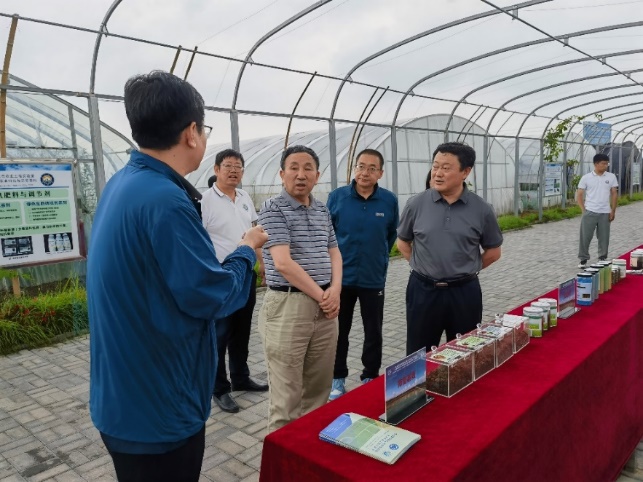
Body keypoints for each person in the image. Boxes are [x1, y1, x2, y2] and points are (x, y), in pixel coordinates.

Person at [87, 71, 267, 482]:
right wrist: (246, 250)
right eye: (204, 129)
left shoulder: (122, 184)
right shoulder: (166, 200)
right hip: (157, 408)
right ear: (191, 133)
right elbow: (212, 295)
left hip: (123, 397)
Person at [258, 144, 342, 433]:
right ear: (282, 174)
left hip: (325, 305)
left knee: (319, 391)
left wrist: (336, 290)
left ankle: (309, 451)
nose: (301, 174)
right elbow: (283, 263)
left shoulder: (322, 209)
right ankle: (282, 455)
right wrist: (323, 296)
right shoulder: (272, 208)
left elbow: (334, 252)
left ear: (317, 176)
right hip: (288, 306)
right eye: (293, 168)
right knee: (287, 400)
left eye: (308, 168)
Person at [397, 142, 502, 355]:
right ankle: (421, 381)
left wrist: (465, 269)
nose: (437, 173)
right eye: (435, 166)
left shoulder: (482, 209)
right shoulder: (416, 204)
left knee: (465, 353)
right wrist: (423, 265)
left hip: (464, 293)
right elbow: (402, 242)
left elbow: (493, 252)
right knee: (418, 354)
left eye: (446, 168)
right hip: (423, 291)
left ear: (465, 172)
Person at [326, 148, 398, 401]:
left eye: (371, 168)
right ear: (354, 168)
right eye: (361, 166)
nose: (365, 172)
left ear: (380, 173)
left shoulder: (388, 200)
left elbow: (391, 234)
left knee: (373, 331)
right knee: (339, 331)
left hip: (372, 277)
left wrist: (379, 257)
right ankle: (337, 378)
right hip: (340, 279)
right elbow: (328, 235)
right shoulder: (337, 197)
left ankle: (370, 376)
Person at [201, 149, 268, 414]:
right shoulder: (205, 201)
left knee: (242, 328)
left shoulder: (244, 197)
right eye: (228, 166)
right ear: (216, 169)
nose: (234, 171)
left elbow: (254, 233)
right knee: (220, 333)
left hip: (246, 272)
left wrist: (261, 264)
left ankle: (241, 377)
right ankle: (219, 388)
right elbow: (199, 241)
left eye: (238, 166)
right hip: (221, 275)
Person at [576, 153, 618, 268]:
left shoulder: (611, 177)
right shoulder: (586, 178)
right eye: (603, 163)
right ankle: (583, 259)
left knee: (604, 237)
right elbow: (579, 195)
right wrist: (583, 210)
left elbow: (614, 194)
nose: (606, 166)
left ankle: (602, 258)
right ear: (596, 164)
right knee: (585, 236)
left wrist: (613, 210)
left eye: (607, 163)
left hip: (605, 212)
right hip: (590, 211)